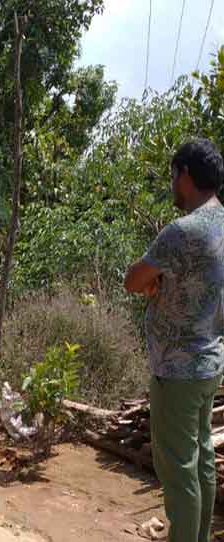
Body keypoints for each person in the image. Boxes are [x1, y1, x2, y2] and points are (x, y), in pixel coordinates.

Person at [125, 138, 224, 542]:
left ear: (184, 175)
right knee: (200, 462)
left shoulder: (183, 231)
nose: (171, 184)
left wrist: (155, 281)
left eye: (172, 175)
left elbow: (134, 280)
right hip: (210, 363)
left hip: (178, 370)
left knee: (178, 470)